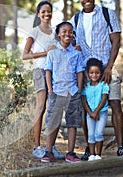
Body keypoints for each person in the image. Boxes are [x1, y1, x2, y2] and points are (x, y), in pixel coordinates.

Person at [69, 0, 123, 160]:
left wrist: (109, 67)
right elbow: (71, 42)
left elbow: (116, 41)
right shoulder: (75, 19)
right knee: (85, 108)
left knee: (115, 104)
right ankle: (89, 148)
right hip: (85, 71)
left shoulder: (107, 14)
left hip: (107, 68)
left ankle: (121, 146)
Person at [22, 1, 64, 159]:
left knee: (56, 109)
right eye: (43, 12)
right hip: (40, 71)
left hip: (55, 73)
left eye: (49, 11)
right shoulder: (34, 32)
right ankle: (36, 147)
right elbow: (24, 55)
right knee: (41, 107)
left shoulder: (55, 32)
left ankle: (51, 147)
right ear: (38, 14)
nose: (47, 14)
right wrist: (44, 53)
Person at [41, 21, 85, 163]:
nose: (67, 34)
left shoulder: (76, 53)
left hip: (72, 91)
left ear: (73, 35)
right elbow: (48, 71)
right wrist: (50, 90)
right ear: (59, 34)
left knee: (72, 123)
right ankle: (49, 151)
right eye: (64, 31)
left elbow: (79, 72)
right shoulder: (52, 52)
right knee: (53, 122)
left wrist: (78, 89)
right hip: (57, 92)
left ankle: (70, 153)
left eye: (70, 31)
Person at [82, 58, 109, 161]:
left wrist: (96, 112)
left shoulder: (104, 85)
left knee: (98, 133)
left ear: (101, 73)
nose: (94, 75)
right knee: (90, 134)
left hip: (101, 113)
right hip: (90, 114)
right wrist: (91, 113)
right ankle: (91, 155)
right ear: (88, 73)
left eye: (97, 73)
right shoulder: (86, 87)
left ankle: (98, 154)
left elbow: (103, 99)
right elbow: (84, 101)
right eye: (91, 73)